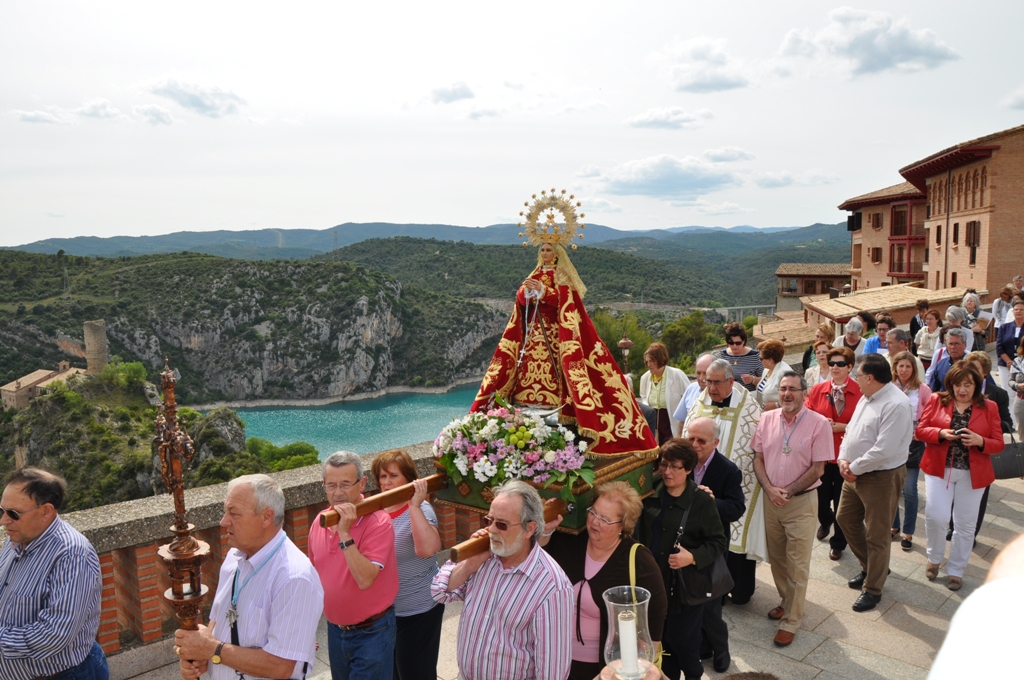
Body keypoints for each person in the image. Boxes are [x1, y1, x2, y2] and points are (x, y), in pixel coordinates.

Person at [471, 240, 657, 457]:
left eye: (549, 250)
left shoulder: (562, 276)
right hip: (533, 337)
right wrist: (526, 293)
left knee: (559, 372)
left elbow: (566, 301)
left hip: (555, 337)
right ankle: (528, 402)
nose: (545, 253)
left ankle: (561, 408)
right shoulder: (535, 272)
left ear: (557, 253)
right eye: (542, 249)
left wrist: (542, 291)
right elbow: (520, 301)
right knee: (527, 372)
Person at [176, 474, 324, 680]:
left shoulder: (295, 578)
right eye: (225, 511)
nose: (223, 521)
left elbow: (281, 666)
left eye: (234, 513)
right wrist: (201, 652)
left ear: (266, 517)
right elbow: (219, 620)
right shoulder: (234, 558)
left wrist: (212, 650)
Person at [431, 480, 573, 680]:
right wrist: (470, 563)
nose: (492, 530)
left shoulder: (552, 586)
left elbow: (552, 673)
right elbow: (438, 591)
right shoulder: (483, 557)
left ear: (529, 529)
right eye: (489, 520)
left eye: (502, 524)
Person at [540, 483, 667, 680]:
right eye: (593, 513)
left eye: (605, 519)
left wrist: (641, 666)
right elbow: (539, 558)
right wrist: (546, 529)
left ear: (623, 525)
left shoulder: (638, 560)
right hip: (554, 659)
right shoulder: (570, 540)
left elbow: (656, 613)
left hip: (606, 669)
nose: (595, 522)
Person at [0, 468, 107, 680]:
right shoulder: (17, 538)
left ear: (46, 511)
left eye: (13, 513)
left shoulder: (72, 554)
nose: (3, 520)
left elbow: (54, 635)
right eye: (1, 511)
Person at [752, 372, 834, 647]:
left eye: (793, 389)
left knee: (798, 565)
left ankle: (792, 621)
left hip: (801, 503)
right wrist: (769, 489)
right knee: (777, 559)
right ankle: (787, 602)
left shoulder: (819, 424)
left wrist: (789, 491)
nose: (787, 394)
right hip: (771, 500)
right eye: (783, 388)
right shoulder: (766, 419)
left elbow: (818, 468)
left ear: (804, 393)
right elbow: (758, 458)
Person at [638, 439, 728, 680]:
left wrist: (693, 557)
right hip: (651, 583)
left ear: (689, 469)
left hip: (683, 589)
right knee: (660, 642)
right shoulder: (650, 488)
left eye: (675, 467)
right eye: (664, 465)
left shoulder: (701, 501)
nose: (668, 472)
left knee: (685, 645)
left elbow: (719, 541)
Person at [682, 358, 766, 605]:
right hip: (700, 478)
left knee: (736, 539)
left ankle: (739, 588)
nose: (711, 387)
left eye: (716, 382)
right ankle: (712, 588)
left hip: (732, 484)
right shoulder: (699, 405)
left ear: (731, 381)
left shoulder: (749, 410)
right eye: (707, 381)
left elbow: (757, 450)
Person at [309, 452, 399, 680]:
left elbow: (365, 579)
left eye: (345, 484)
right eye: (331, 485)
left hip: (373, 632)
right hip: (335, 630)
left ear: (362, 483)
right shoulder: (319, 522)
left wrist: (345, 533)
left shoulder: (379, 522)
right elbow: (312, 580)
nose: (338, 493)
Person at [836, 354, 913, 612]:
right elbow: (851, 431)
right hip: (854, 472)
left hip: (881, 476)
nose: (854, 380)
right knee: (845, 518)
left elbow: (885, 449)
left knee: (877, 534)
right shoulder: (867, 397)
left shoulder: (896, 404)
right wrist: (843, 459)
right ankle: (873, 567)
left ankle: (873, 588)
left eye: (857, 375)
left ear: (869, 378)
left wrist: (853, 468)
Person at [916, 363, 1004, 591]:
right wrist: (940, 433)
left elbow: (999, 444)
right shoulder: (937, 400)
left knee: (965, 525)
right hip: (939, 469)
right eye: (957, 384)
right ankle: (934, 558)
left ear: (977, 385)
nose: (962, 389)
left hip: (973, 474)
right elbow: (921, 430)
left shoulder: (990, 406)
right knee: (936, 516)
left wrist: (980, 441)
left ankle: (956, 570)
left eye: (967, 384)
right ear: (950, 384)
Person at [370, 450, 443, 680]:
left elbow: (428, 550)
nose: (387, 482)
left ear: (409, 479)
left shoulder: (422, 510)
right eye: (382, 477)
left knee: (414, 673)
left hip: (419, 609)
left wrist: (413, 506)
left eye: (393, 476)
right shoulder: (376, 511)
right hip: (386, 613)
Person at [686, 417, 745, 673]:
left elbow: (736, 508)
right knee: (689, 602)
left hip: (711, 547)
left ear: (716, 442)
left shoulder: (728, 470)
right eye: (691, 439)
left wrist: (712, 501)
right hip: (684, 545)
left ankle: (721, 650)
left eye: (701, 440)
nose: (695, 445)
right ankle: (703, 647)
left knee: (710, 606)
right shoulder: (681, 463)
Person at [805, 347, 861, 561]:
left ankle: (838, 542)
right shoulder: (819, 389)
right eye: (832, 363)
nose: (835, 367)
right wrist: (821, 424)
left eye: (840, 364)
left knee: (841, 502)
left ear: (850, 367)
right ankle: (825, 520)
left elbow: (866, 424)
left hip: (845, 456)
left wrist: (842, 427)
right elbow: (807, 415)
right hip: (821, 455)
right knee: (819, 498)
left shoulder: (860, 391)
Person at [889, 351, 932, 552]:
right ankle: (894, 525)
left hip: (914, 443)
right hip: (893, 442)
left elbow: (930, 415)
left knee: (910, 489)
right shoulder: (888, 388)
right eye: (901, 366)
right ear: (895, 367)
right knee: (893, 489)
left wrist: (919, 431)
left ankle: (908, 531)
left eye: (908, 366)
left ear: (914, 369)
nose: (904, 370)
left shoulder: (922, 389)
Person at [640, 342, 691, 444]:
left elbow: (690, 398)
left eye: (652, 361)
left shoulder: (677, 375)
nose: (649, 365)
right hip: (653, 422)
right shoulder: (645, 378)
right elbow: (644, 399)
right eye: (647, 362)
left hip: (671, 421)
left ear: (660, 359)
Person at [715, 323, 763, 392]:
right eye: (731, 343)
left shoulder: (756, 356)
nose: (734, 346)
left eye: (738, 343)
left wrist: (752, 379)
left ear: (744, 341)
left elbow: (766, 381)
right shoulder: (721, 355)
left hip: (748, 397)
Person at [673, 353, 714, 427]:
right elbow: (682, 422)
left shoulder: (725, 393)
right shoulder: (691, 389)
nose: (701, 378)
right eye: (698, 373)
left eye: (705, 373)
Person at [996, 298, 1024, 397]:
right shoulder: (1004, 327)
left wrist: (1017, 363)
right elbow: (999, 347)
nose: (1018, 311)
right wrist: (1009, 361)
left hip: (1022, 366)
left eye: (1021, 309)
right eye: (1016, 309)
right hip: (1005, 364)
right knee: (1008, 394)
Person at [927, 327, 969, 393]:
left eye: (956, 344)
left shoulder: (972, 364)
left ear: (965, 345)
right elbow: (934, 389)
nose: (953, 347)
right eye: (950, 344)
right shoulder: (941, 364)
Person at [754, 339, 790, 411]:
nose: (759, 360)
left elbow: (794, 396)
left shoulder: (785, 373)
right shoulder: (766, 370)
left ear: (770, 360)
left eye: (761, 358)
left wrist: (777, 404)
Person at [1008, 336, 1024, 439]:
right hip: (1021, 401)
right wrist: (1017, 386)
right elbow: (1010, 381)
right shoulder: (1017, 361)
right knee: (1022, 435)